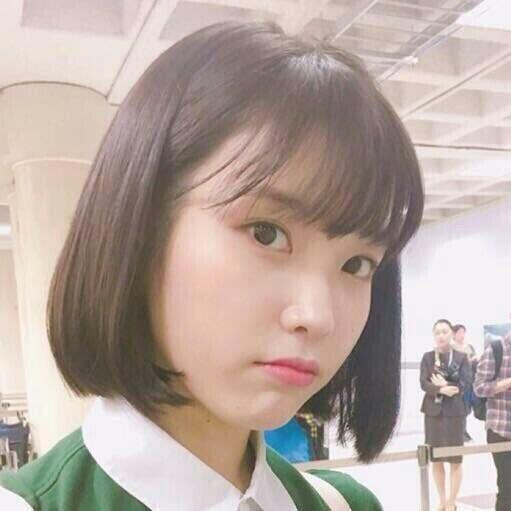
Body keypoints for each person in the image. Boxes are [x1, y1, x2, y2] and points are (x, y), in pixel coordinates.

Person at [0, 21, 424, 510]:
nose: (318, 315)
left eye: (356, 264)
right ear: (139, 228)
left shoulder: (342, 505)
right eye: (267, 233)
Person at [420, 319, 472, 511]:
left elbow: (466, 382)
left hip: (455, 413)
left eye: (444, 331)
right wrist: (442, 389)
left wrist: (447, 384)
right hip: (433, 413)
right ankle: (442, 500)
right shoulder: (427, 357)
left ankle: (452, 501)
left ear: (451, 334)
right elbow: (424, 383)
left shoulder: (461, 357)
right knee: (436, 459)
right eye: (437, 332)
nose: (441, 335)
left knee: (455, 459)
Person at [474, 330, 511, 511]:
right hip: (501, 429)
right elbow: (479, 388)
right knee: (507, 488)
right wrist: (506, 383)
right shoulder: (496, 348)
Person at [451, 324, 476, 442]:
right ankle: (460, 432)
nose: (462, 335)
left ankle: (462, 431)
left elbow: (474, 361)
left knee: (467, 408)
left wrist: (475, 361)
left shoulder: (469, 347)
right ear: (454, 334)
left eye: (463, 332)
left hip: (469, 383)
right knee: (458, 408)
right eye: (460, 332)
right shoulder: (451, 348)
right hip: (458, 383)